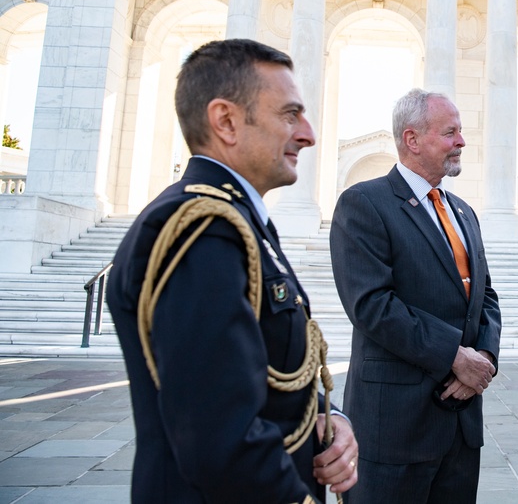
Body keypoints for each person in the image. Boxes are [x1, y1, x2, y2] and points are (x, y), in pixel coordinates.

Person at [107, 39, 358, 503]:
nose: (308, 134)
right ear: (225, 121)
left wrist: (328, 414)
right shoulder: (201, 230)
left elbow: (266, 371)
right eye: (289, 114)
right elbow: (222, 441)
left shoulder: (235, 219)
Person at [330, 88, 502, 503]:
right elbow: (372, 306)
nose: (461, 141)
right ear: (412, 139)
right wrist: (455, 358)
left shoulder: (463, 211)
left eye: (460, 132)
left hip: (460, 427)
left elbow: (486, 297)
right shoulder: (364, 203)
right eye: (450, 132)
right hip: (395, 429)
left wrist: (485, 360)